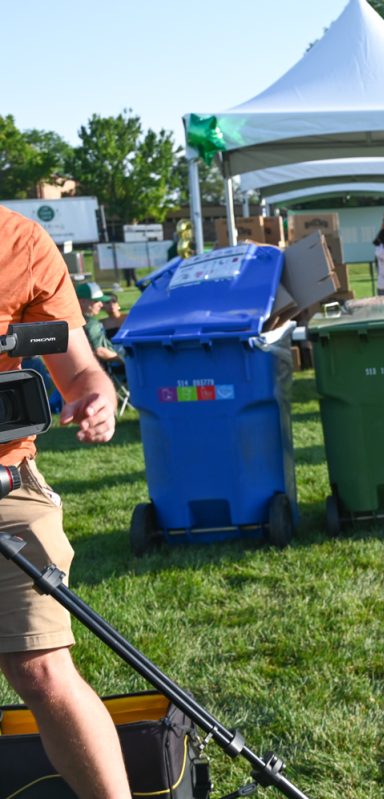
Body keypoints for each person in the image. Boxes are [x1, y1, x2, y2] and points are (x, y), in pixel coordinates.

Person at [0, 206, 130, 798]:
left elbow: (81, 373)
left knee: (43, 670)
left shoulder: (20, 243)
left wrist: (96, 398)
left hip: (4, 482)